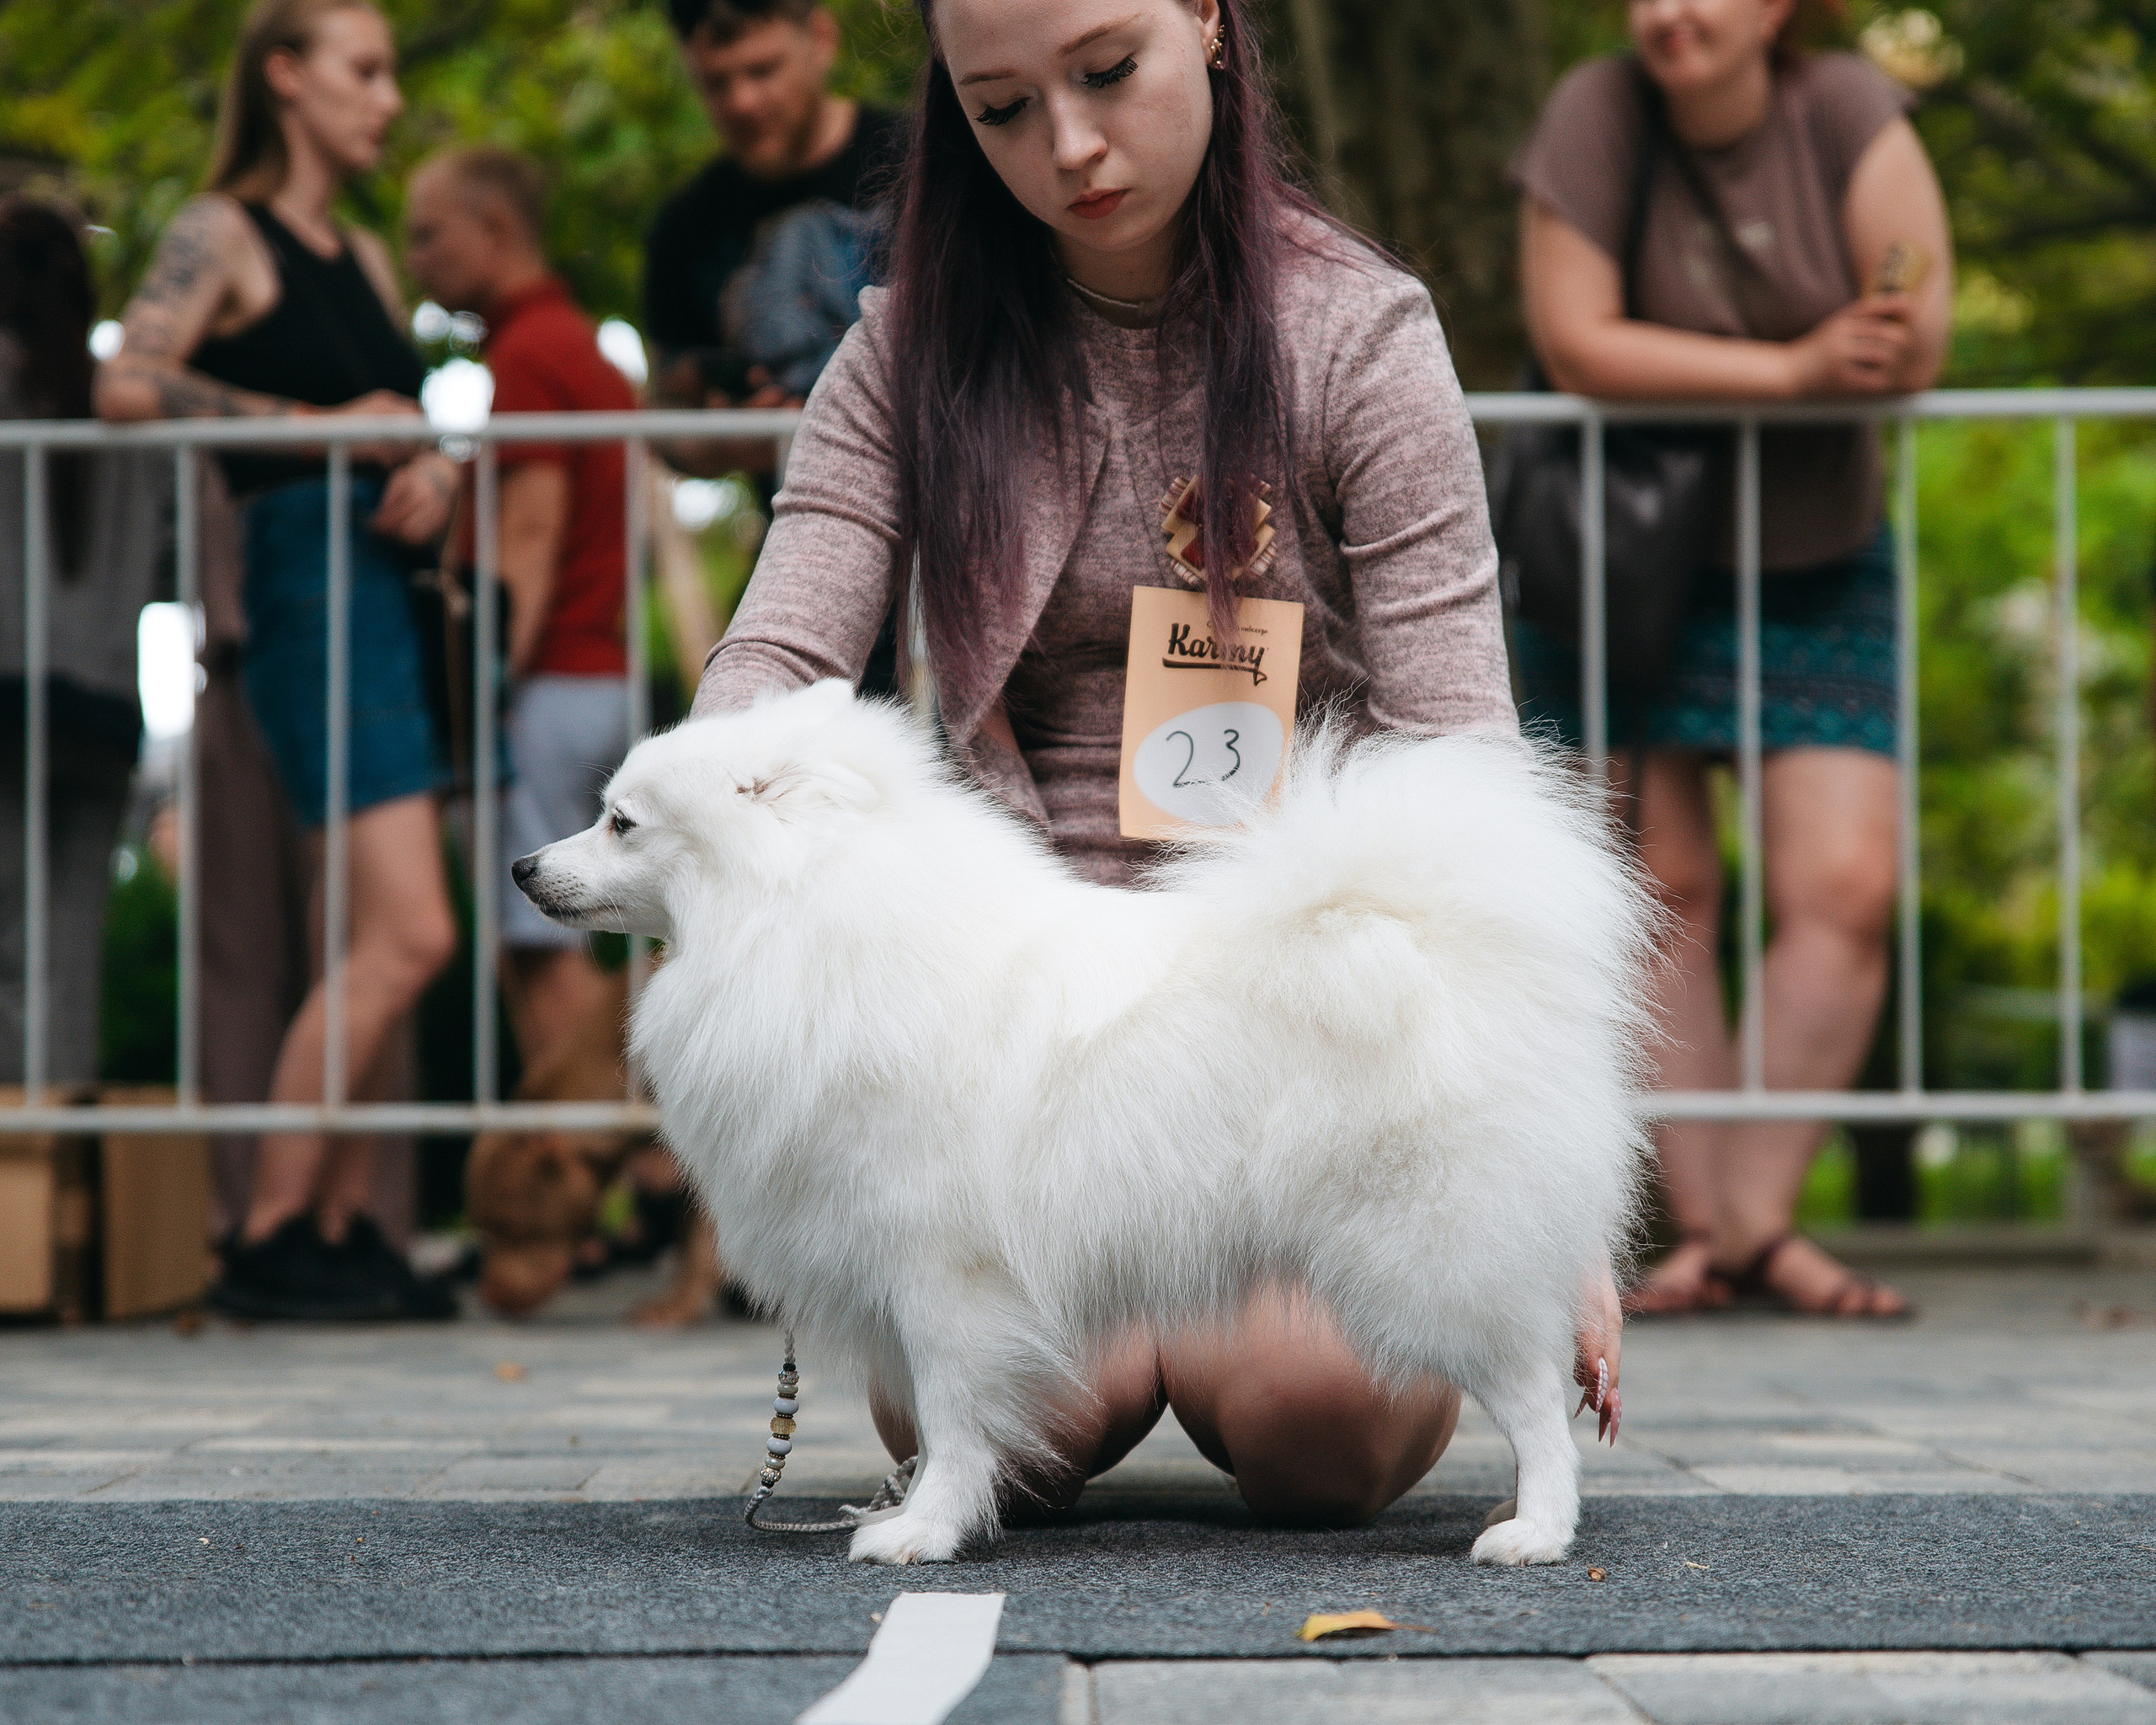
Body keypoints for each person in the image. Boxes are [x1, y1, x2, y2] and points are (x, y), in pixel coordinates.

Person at [688, 0, 1621, 1524]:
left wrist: (1540, 1196)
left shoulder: (1362, 334)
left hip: (1302, 1025)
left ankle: (1233, 1315)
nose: (1065, 146)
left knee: (1314, 1424)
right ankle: (1155, 1312)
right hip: (1023, 1045)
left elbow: (1467, 767)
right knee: (1000, 1418)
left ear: (1210, 24)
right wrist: (690, 824)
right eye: (996, 109)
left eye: (1108, 71)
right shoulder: (904, 347)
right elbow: (778, 656)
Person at [1511, 0, 1952, 1316]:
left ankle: (1761, 1226)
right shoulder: (1596, 110)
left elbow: (1914, 334)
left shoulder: (1849, 111)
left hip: (1821, 552)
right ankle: (1703, 1234)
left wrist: (1813, 367)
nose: (1667, 13)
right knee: (1662, 884)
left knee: (1846, 887)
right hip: (1623, 551)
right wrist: (1801, 369)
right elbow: (1578, 338)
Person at [95, 0, 461, 1321]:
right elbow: (128, 384)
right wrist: (323, 426)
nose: (387, 98)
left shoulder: (361, 252)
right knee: (409, 934)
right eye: (364, 71)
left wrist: (425, 470)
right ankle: (266, 1233)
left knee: (376, 931)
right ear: (287, 77)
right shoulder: (220, 232)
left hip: (378, 577)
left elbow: (385, 430)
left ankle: (333, 1219)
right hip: (304, 577)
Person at [403, 146, 634, 1071]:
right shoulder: (578, 345)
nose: (416, 257)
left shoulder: (533, 354)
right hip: (592, 676)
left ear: (493, 231)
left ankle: (618, 1181)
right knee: (552, 935)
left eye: (429, 234)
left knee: (540, 948)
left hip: (543, 684)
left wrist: (483, 690)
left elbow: (527, 543)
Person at [0, 200, 168, 1092]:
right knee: (70, 942)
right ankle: (61, 1124)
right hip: (105, 705)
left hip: (12, 697)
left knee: (10, 939)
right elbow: (166, 559)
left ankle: (16, 1157)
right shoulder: (123, 403)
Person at [644, 0, 905, 473]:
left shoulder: (928, 164)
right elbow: (666, 410)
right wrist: (727, 444)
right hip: (795, 532)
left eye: (763, 70)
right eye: (716, 82)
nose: (741, 101)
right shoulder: (684, 226)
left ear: (821, 41)